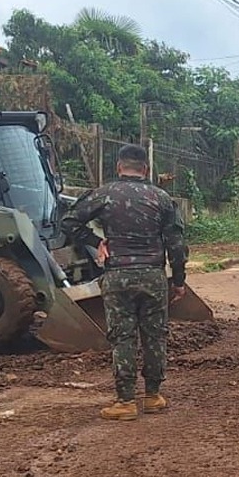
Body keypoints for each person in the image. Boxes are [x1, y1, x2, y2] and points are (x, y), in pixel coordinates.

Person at [60, 144, 187, 421]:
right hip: (153, 277)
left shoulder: (104, 194)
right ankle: (153, 396)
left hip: (118, 276)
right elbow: (176, 244)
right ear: (146, 169)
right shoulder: (162, 198)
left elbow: (69, 222)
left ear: (119, 167)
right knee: (155, 336)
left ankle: (126, 401)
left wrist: (96, 242)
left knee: (122, 337)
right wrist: (178, 281)